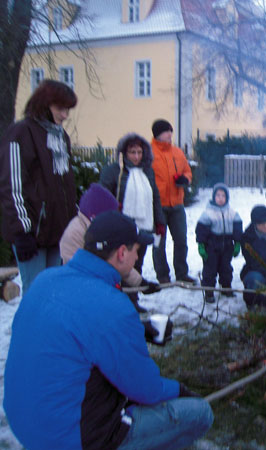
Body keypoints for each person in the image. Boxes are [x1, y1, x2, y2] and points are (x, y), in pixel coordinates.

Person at [3, 210, 213, 449]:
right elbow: (146, 389)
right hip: (67, 438)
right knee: (199, 413)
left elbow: (78, 328)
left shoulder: (46, 280)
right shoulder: (112, 306)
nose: (137, 257)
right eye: (136, 250)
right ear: (122, 253)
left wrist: (136, 329)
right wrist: (180, 390)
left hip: (24, 422)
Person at [0, 80, 78, 295]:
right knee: (36, 294)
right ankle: (28, 330)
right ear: (45, 104)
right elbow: (11, 186)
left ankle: (50, 330)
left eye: (67, 109)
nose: (65, 115)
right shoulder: (20, 133)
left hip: (57, 232)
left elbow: (64, 186)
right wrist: (22, 230)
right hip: (31, 233)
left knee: (54, 292)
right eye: (61, 109)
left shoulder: (60, 137)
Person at [59, 183, 160, 312]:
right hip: (82, 299)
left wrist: (140, 283)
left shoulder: (100, 231)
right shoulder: (75, 235)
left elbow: (119, 261)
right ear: (96, 216)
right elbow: (81, 275)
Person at [100, 133, 166, 277]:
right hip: (121, 227)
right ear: (124, 152)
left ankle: (133, 297)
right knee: (120, 265)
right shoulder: (114, 171)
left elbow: (154, 197)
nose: (136, 157)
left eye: (139, 152)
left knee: (137, 262)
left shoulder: (148, 171)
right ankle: (119, 296)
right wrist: (113, 206)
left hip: (144, 226)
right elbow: (102, 197)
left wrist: (160, 222)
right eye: (132, 152)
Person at [150, 119, 196, 284]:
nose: (170, 134)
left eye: (171, 131)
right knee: (159, 243)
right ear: (157, 134)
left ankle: (182, 273)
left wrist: (186, 179)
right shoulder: (149, 153)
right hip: (158, 206)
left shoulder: (177, 152)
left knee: (181, 240)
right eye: (166, 131)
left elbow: (187, 171)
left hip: (177, 204)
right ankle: (162, 275)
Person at [195, 183, 243, 303]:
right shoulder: (208, 213)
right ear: (213, 197)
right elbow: (201, 230)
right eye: (218, 195)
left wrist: (237, 243)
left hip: (227, 245)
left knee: (226, 268)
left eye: (223, 196)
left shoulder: (232, 213)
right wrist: (201, 245)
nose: (220, 198)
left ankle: (226, 287)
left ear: (227, 198)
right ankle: (209, 290)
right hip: (211, 246)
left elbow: (237, 228)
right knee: (210, 269)